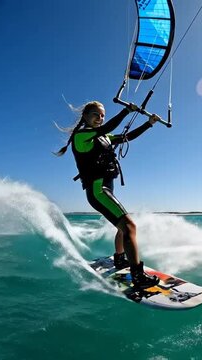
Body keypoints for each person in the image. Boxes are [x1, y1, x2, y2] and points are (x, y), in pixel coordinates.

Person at [55, 100, 160, 288]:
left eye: (102, 115)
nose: (100, 118)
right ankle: (138, 277)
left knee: (123, 227)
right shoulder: (81, 136)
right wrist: (126, 111)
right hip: (97, 191)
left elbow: (127, 137)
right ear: (85, 116)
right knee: (130, 227)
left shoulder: (104, 136)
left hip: (107, 189)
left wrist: (149, 124)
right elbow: (109, 126)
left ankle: (120, 258)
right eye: (96, 114)